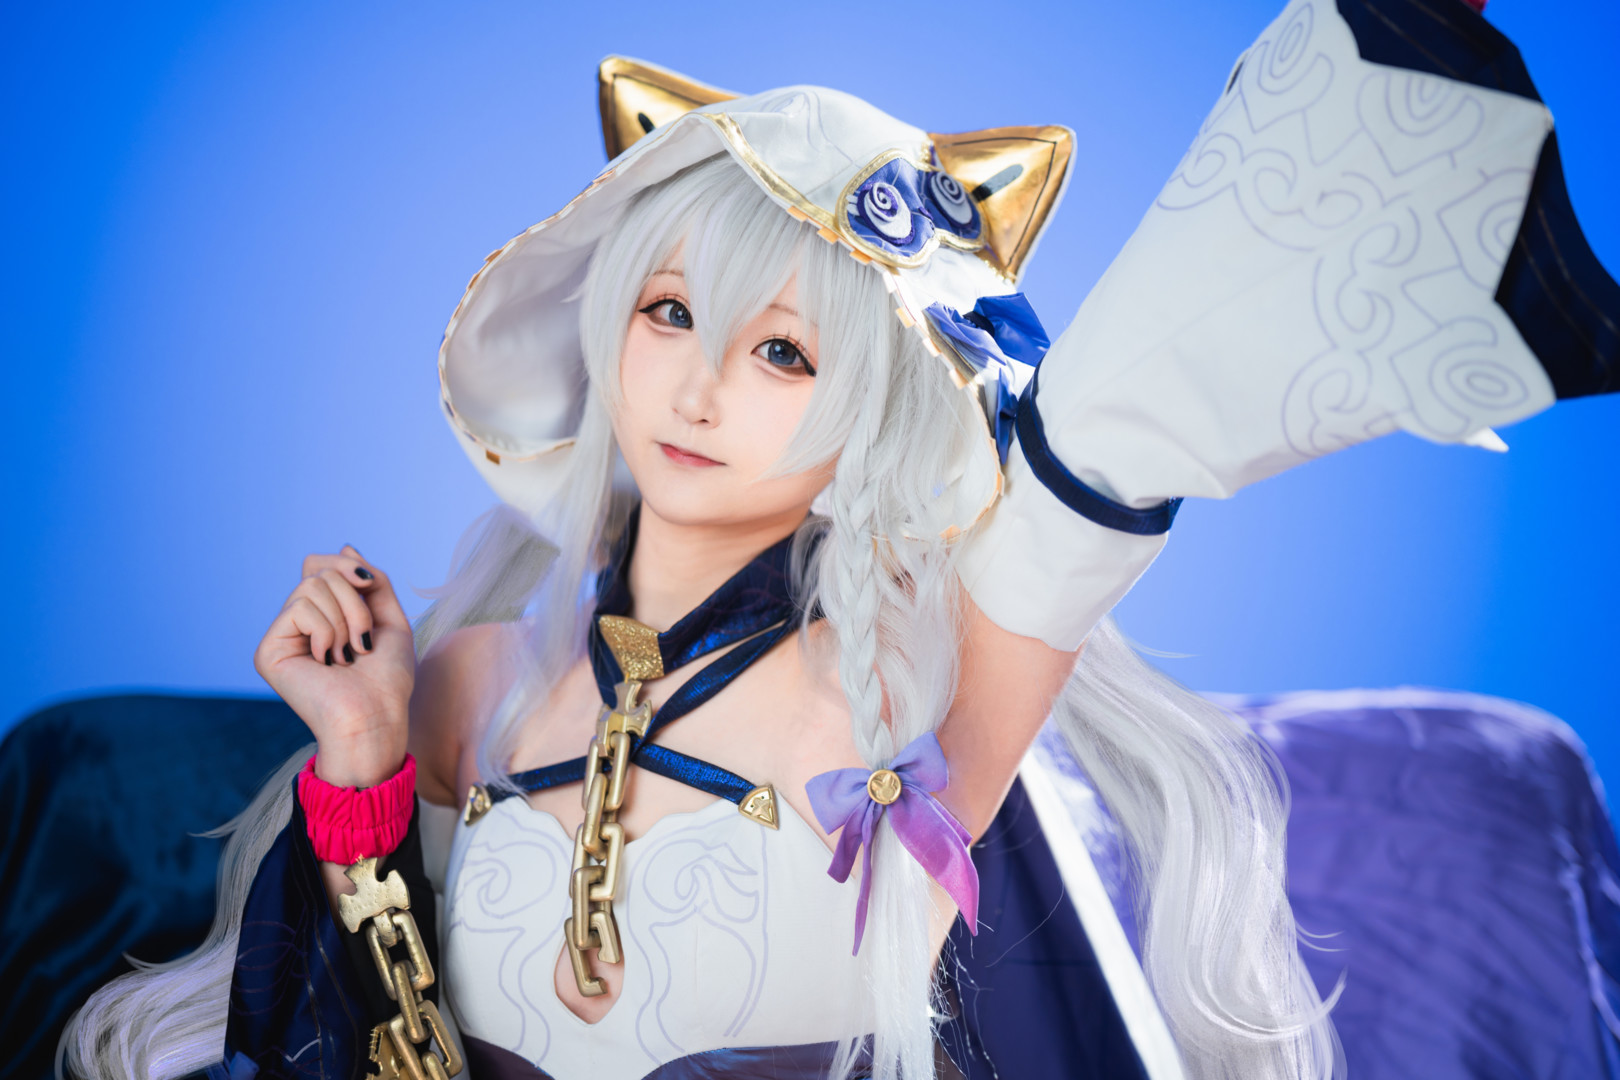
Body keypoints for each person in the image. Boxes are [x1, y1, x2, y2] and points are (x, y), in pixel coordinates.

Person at [61, 1, 1617, 1078]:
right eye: (669, 313)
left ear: (876, 400)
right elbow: (381, 1045)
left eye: (783, 352)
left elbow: (1098, 469)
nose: (699, 387)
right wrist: (358, 758)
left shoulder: (896, 698)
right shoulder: (467, 688)